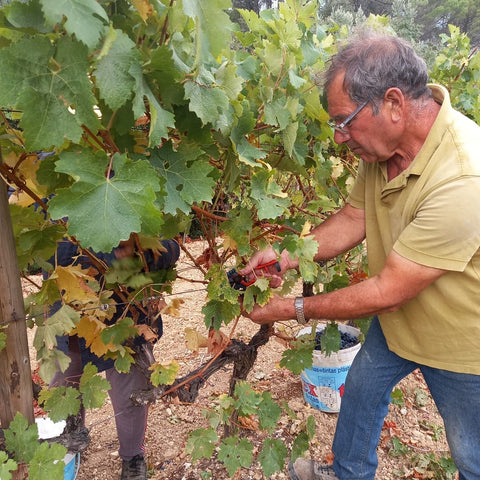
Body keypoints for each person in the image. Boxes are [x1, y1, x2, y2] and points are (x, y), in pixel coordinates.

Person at [240, 31, 480, 480]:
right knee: (362, 392)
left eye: (342, 121)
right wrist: (285, 255)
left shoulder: (465, 175)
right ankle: (349, 473)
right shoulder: (382, 153)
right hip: (400, 320)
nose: (338, 137)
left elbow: (388, 290)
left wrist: (291, 308)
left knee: (472, 453)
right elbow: (354, 219)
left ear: (392, 103)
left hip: (463, 344)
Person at [47, 236, 180, 480]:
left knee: (131, 396)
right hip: (67, 321)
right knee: (64, 394)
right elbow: (41, 252)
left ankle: (133, 458)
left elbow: (172, 248)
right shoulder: (33, 200)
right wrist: (108, 256)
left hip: (126, 321)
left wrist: (139, 255)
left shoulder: (137, 204)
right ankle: (70, 446)